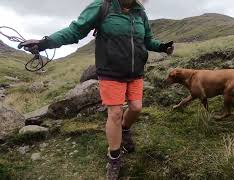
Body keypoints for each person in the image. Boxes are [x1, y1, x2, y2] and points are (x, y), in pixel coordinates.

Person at [19, 0, 174, 179]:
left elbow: (146, 40)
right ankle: (114, 158)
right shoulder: (102, 7)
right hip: (110, 72)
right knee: (115, 113)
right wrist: (45, 42)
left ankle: (124, 130)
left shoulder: (140, 13)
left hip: (135, 72)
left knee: (136, 108)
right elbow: (75, 31)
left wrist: (162, 47)